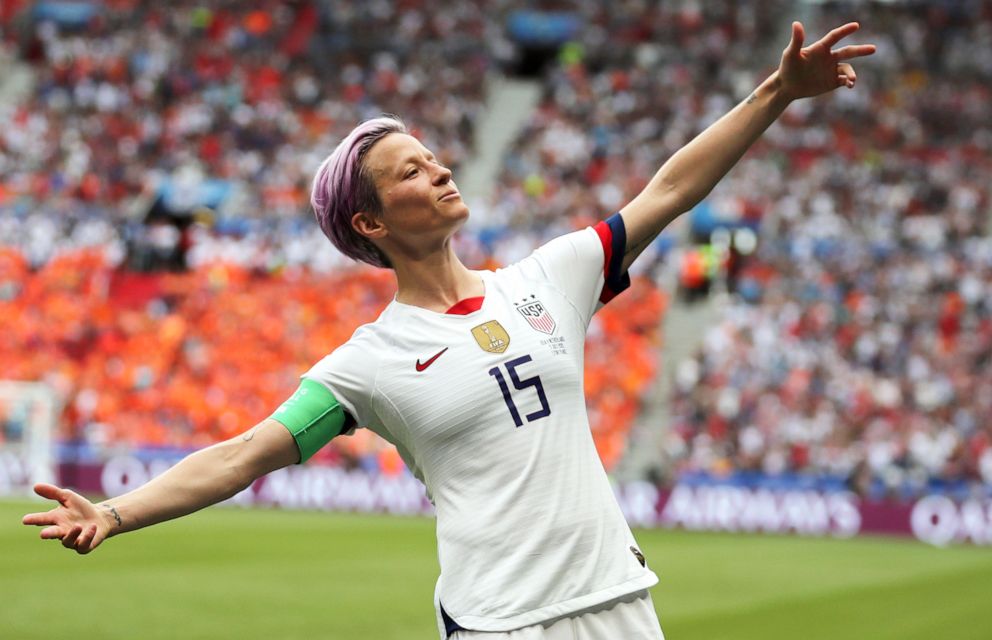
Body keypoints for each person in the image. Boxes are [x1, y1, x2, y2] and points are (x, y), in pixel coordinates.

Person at [23, 21, 874, 639]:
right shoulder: (367, 366)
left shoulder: (553, 279)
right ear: (370, 224)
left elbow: (667, 192)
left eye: (433, 159)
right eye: (410, 172)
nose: (439, 172)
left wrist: (775, 94)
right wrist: (117, 513)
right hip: (500, 625)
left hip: (622, 604)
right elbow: (244, 455)